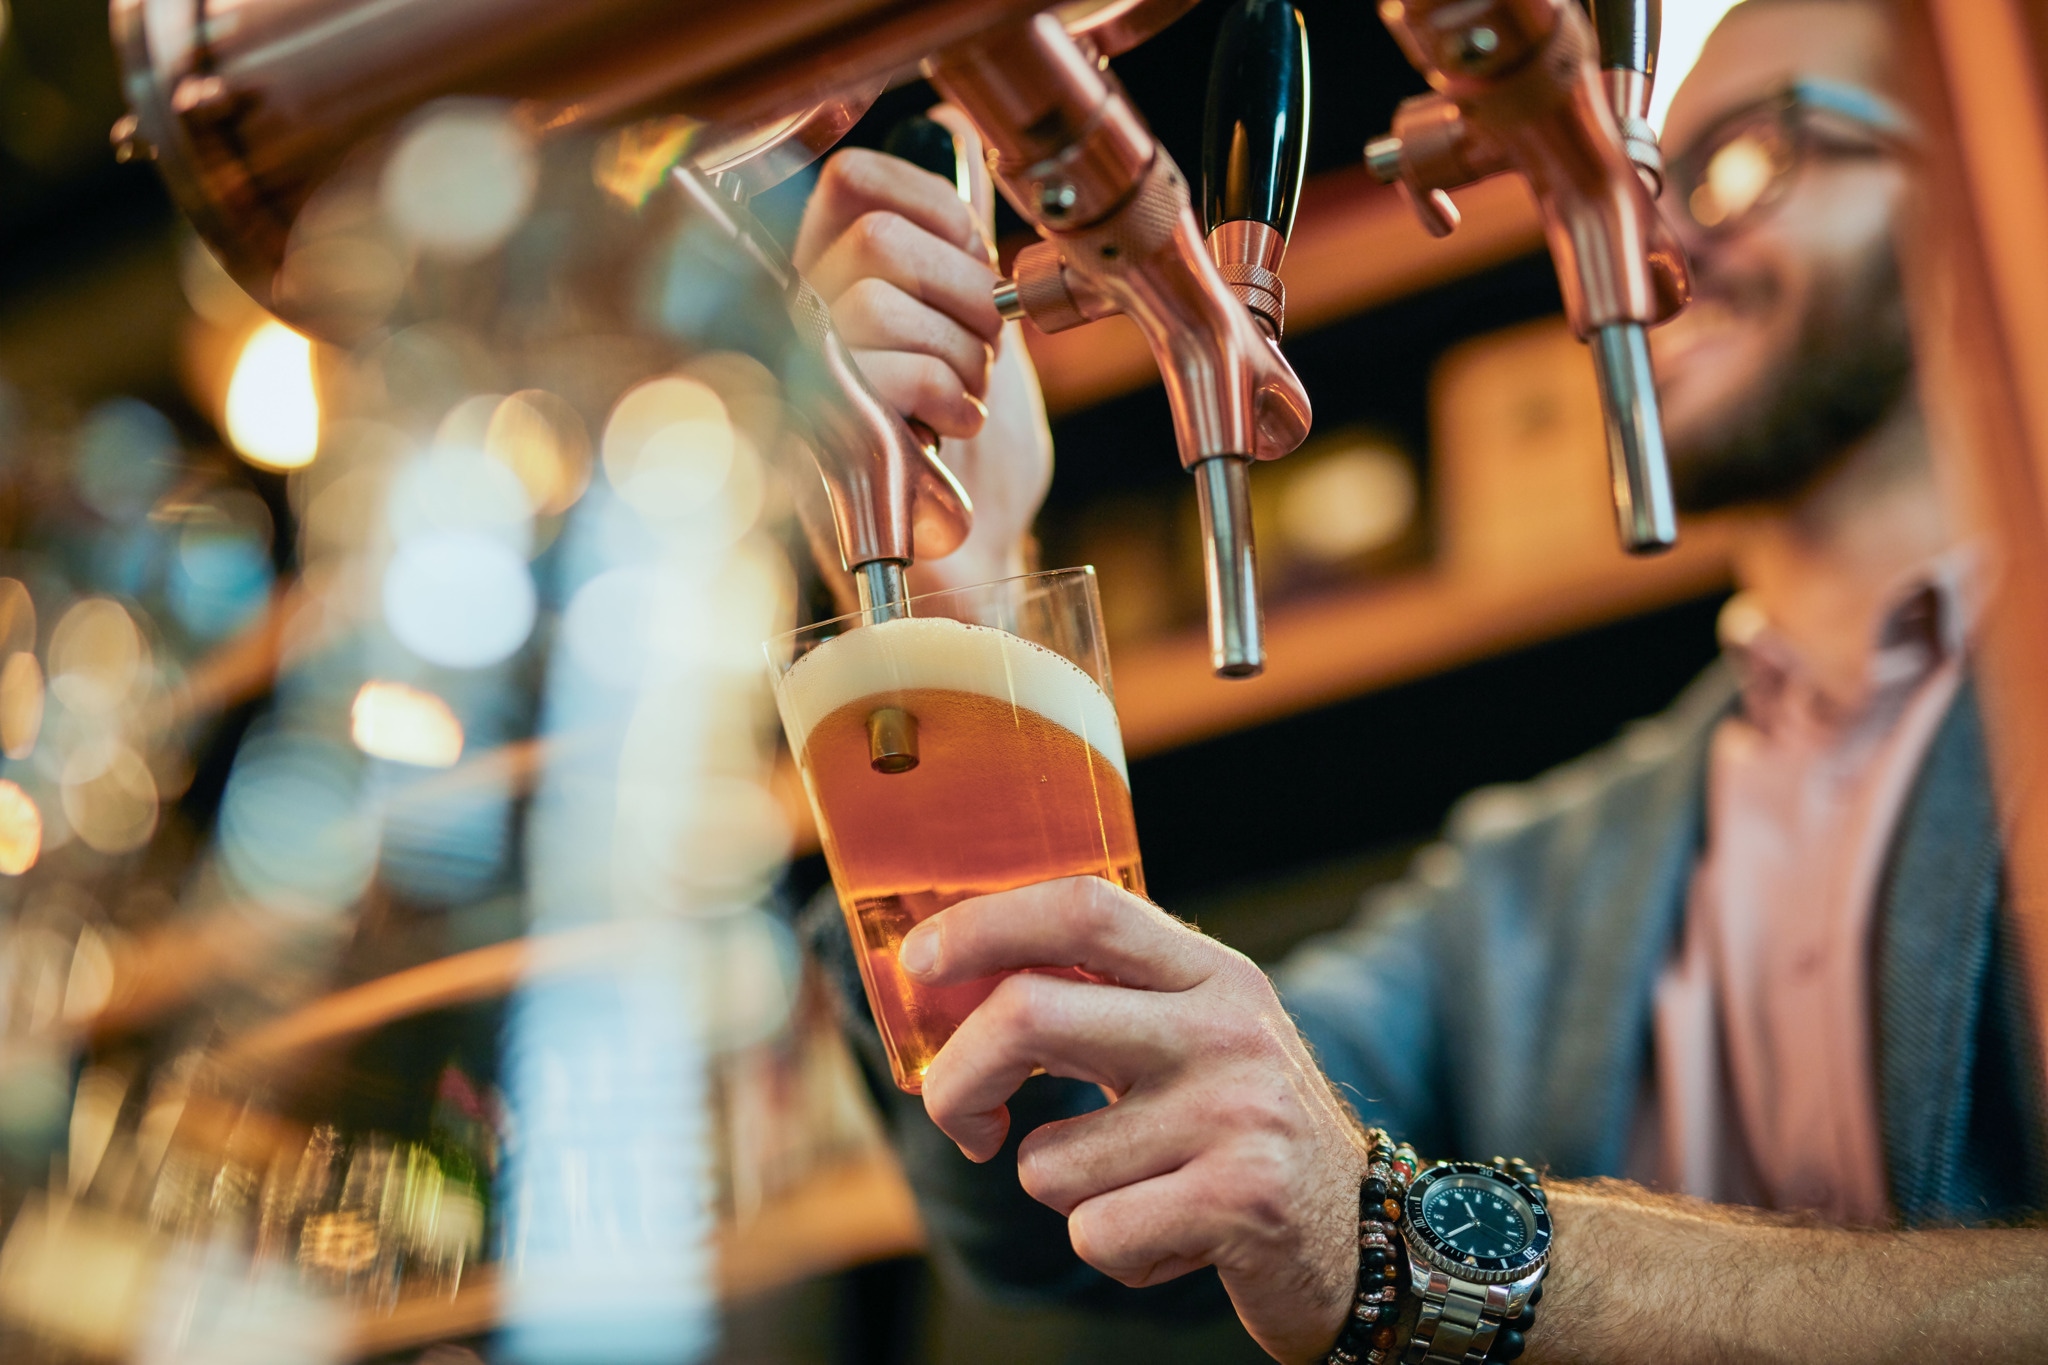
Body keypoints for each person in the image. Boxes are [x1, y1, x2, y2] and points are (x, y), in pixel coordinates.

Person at [789, 1, 2048, 1360]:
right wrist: (963, 603)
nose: (1664, 238)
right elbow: (1094, 1193)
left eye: (1750, 162)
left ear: (1985, 170)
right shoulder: (1535, 880)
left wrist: (1400, 1233)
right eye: (1647, 182)